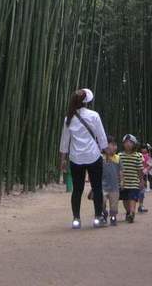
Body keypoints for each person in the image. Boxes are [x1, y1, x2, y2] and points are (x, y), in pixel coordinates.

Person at [58, 88, 108, 229]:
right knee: (97, 187)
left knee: (77, 189)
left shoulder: (69, 118)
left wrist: (63, 159)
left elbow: (64, 141)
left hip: (76, 158)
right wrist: (106, 152)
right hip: (93, 156)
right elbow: (101, 137)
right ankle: (98, 217)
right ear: (87, 102)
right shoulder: (94, 115)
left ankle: (76, 219)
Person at [119, 135, 143, 223]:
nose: (128, 144)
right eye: (126, 142)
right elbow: (117, 168)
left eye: (130, 142)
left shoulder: (137, 156)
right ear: (123, 144)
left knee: (132, 198)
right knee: (125, 199)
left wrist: (141, 181)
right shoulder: (120, 156)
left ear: (134, 144)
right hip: (123, 183)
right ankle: (128, 212)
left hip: (134, 183)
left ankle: (132, 213)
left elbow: (140, 170)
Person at [101, 137, 121, 226]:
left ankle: (113, 217)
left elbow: (120, 171)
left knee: (114, 204)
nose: (114, 147)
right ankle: (103, 213)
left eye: (115, 145)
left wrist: (122, 181)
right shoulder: (101, 158)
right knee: (101, 200)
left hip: (114, 186)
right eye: (112, 145)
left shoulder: (117, 158)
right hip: (102, 185)